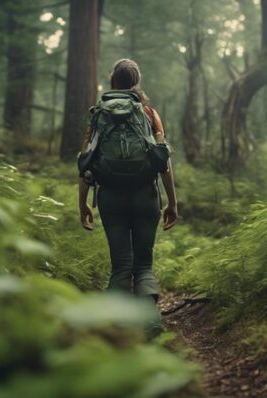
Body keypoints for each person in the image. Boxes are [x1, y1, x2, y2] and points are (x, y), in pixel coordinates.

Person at [78, 58, 178, 303]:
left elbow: (85, 161)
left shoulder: (97, 114)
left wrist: (83, 204)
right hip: (146, 196)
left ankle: (118, 331)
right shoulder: (148, 113)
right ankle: (149, 324)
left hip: (110, 197)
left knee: (121, 265)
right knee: (143, 265)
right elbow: (162, 160)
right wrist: (172, 203)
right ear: (137, 82)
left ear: (113, 80)